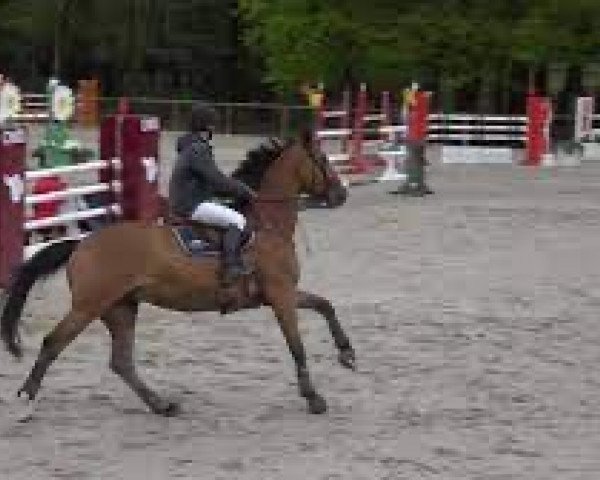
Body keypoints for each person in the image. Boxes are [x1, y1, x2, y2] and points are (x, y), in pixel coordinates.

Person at [168, 102, 256, 284]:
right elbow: (216, 179)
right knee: (238, 220)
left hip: (189, 198)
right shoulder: (198, 149)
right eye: (212, 125)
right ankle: (231, 266)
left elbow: (211, 181)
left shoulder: (191, 146)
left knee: (229, 212)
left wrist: (233, 191)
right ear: (207, 126)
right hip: (191, 204)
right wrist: (245, 191)